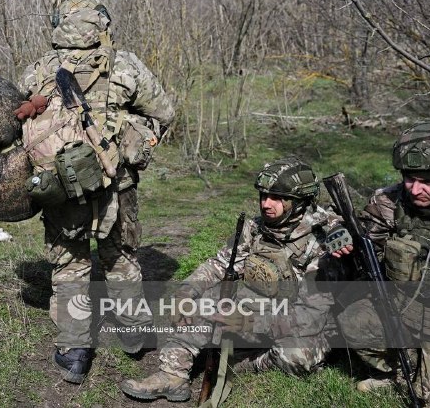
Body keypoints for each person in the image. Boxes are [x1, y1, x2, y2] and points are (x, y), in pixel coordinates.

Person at [17, 0, 175, 383]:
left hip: (60, 187)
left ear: (60, 25)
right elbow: (164, 114)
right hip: (117, 183)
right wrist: (137, 139)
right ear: (101, 24)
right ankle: (134, 335)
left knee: (70, 262)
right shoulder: (125, 65)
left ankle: (74, 351)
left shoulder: (37, 70)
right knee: (119, 255)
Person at [120, 157, 344, 402]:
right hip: (256, 304)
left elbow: (311, 316)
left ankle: (245, 363)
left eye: (277, 198)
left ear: (300, 202)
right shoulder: (256, 228)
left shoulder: (323, 245)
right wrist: (187, 291)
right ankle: (172, 375)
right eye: (263, 195)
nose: (266, 204)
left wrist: (250, 323)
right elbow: (219, 264)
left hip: (295, 320)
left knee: (298, 355)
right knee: (193, 305)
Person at [334, 121, 430, 406]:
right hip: (405, 304)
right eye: (410, 179)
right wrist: (344, 240)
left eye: (427, 182)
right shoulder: (390, 201)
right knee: (353, 322)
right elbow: (363, 238)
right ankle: (402, 372)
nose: (415, 190)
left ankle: (426, 373)